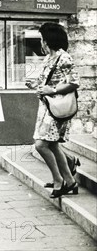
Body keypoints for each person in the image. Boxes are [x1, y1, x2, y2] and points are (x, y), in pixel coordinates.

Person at [26, 23, 80, 198]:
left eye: (42, 38)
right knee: (52, 144)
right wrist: (36, 85)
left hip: (56, 107)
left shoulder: (64, 58)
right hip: (46, 106)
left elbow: (74, 82)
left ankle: (59, 179)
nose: (41, 42)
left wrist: (53, 90)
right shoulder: (49, 58)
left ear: (48, 40)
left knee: (41, 145)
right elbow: (49, 80)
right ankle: (69, 181)